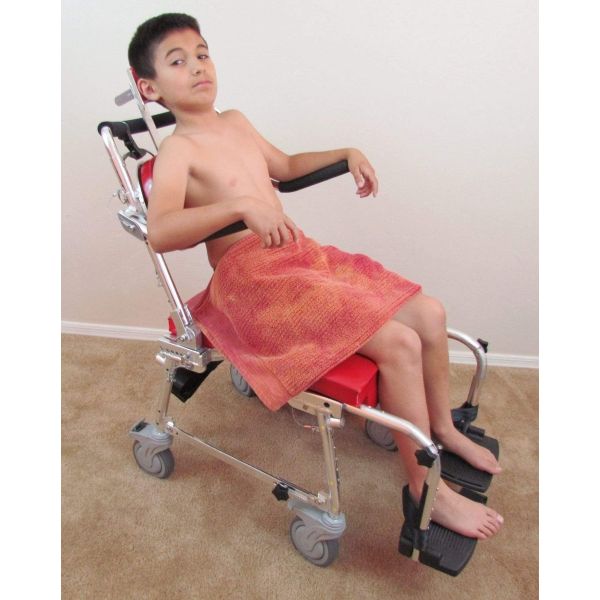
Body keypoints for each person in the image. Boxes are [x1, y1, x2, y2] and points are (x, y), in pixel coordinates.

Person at [128, 13, 503, 540]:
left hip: (297, 255)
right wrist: (239, 206)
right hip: (252, 281)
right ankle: (427, 492)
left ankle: (440, 429)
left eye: (202, 53)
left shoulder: (235, 121)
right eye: (177, 61)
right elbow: (161, 231)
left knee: (430, 313)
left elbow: (284, 166)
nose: (197, 66)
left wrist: (345, 153)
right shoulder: (178, 150)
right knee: (398, 343)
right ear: (150, 88)